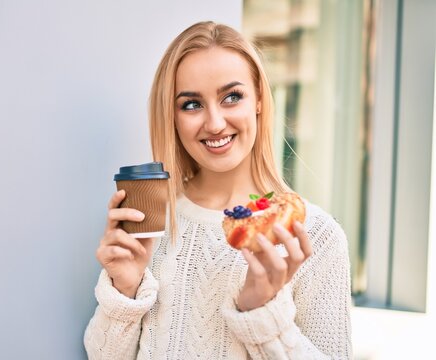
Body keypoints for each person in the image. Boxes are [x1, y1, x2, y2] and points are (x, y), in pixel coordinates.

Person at [84, 21, 352, 359]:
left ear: (257, 99)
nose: (214, 123)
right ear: (173, 115)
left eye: (232, 97)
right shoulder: (151, 224)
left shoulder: (317, 236)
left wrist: (263, 315)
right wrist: (124, 290)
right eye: (191, 104)